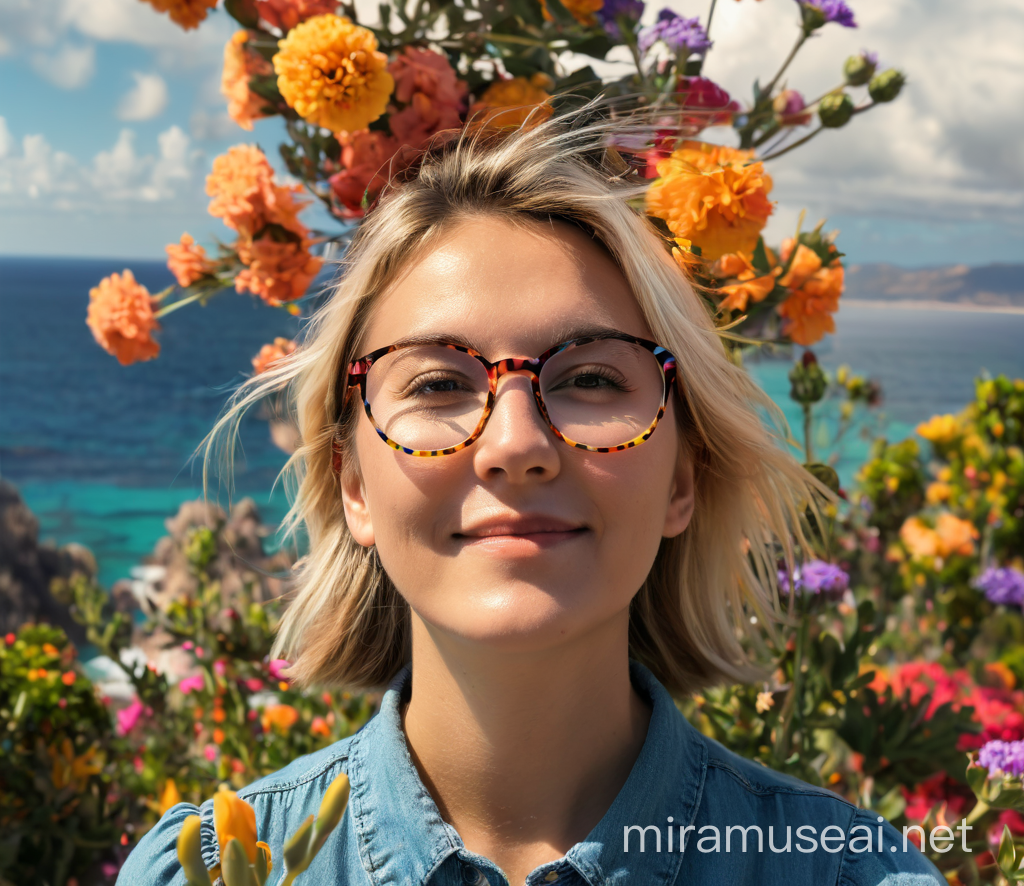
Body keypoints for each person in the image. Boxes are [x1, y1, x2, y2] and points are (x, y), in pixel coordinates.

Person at [118, 107, 942, 885]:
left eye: (589, 378)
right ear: (353, 485)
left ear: (682, 480)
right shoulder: (207, 869)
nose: (516, 444)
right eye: (439, 383)